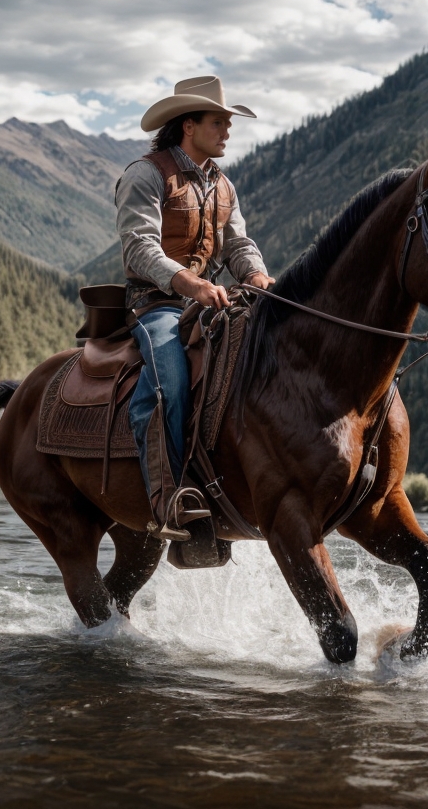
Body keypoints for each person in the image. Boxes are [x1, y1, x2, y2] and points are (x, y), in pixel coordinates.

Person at [117, 76, 275, 541]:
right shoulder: (146, 174)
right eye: (219, 122)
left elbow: (238, 243)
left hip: (211, 300)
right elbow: (138, 247)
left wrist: (255, 275)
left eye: (229, 123)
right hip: (156, 305)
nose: (228, 130)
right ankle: (169, 495)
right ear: (188, 125)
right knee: (169, 378)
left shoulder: (223, 185)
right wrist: (190, 282)